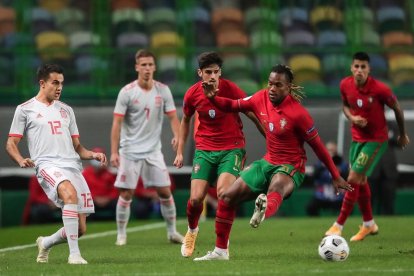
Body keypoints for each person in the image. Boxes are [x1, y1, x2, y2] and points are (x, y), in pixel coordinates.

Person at [192, 64, 352, 261]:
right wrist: (213, 98)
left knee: (277, 185)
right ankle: (220, 251)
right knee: (226, 197)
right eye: (270, 84)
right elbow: (232, 105)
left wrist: (335, 175)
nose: (272, 89)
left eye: (278, 85)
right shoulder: (260, 98)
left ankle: (264, 210)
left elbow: (318, 147)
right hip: (268, 162)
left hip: (291, 166)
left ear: (288, 87)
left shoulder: (298, 114)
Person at [6, 64, 107, 264]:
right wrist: (20, 159)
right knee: (69, 194)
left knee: (80, 229)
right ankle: (74, 255)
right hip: (47, 165)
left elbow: (77, 147)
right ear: (42, 83)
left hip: (72, 165)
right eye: (55, 83)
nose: (59, 87)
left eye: (61, 83)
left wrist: (92, 155)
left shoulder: (67, 111)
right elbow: (11, 143)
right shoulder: (25, 109)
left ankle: (45, 243)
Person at [173, 51, 264, 258]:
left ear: (220, 72)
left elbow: (251, 111)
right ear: (200, 73)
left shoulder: (230, 89)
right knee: (196, 199)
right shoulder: (192, 94)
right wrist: (179, 151)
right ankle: (192, 231)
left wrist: (269, 136)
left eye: (216, 72)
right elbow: (186, 120)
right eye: (208, 72)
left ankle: (221, 247)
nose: (212, 76)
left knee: (224, 194)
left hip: (232, 148)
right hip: (204, 149)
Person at [324, 52, 409, 241]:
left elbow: (397, 108)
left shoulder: (380, 89)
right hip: (357, 139)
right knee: (361, 181)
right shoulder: (345, 84)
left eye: (363, 67)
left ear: (369, 69)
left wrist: (402, 134)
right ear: (351, 68)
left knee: (353, 177)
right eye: (356, 66)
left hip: (376, 140)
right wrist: (352, 117)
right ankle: (369, 224)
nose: (359, 70)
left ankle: (338, 225)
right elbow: (345, 105)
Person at [110, 49, 183, 246]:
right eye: (143, 65)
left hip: (153, 150)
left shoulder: (163, 90)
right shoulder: (126, 92)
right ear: (137, 67)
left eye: (150, 65)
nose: (147, 68)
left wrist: (178, 137)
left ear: (155, 67)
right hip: (130, 150)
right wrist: (114, 151)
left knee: (165, 192)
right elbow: (116, 123)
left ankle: (172, 232)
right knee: (126, 193)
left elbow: (173, 118)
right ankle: (121, 234)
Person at [306, 141, 349, 216]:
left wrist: (339, 171)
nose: (330, 152)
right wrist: (324, 165)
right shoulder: (319, 164)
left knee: (348, 207)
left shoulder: (342, 164)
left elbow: (347, 178)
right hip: (322, 195)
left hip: (338, 195)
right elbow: (314, 176)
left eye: (332, 150)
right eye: (328, 150)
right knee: (311, 207)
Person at [368, 122, 399, 215]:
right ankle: (368, 221)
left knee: (388, 197)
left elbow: (400, 143)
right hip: (372, 168)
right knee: (370, 197)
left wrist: (390, 137)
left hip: (388, 170)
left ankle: (388, 218)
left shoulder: (391, 125)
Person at [82, 147, 118, 220]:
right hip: (93, 200)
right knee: (85, 204)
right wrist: (95, 198)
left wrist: (108, 198)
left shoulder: (111, 173)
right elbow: (83, 189)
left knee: (117, 203)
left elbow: (114, 189)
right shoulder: (85, 173)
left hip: (108, 200)